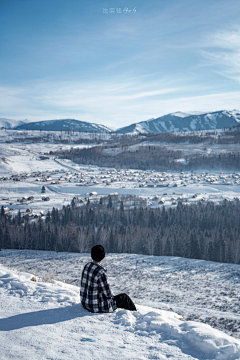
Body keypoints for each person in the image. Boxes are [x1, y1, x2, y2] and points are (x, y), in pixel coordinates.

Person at [80, 245, 136, 313]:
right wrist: (112, 298)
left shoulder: (87, 265)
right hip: (96, 306)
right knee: (124, 298)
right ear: (103, 256)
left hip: (85, 303)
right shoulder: (100, 271)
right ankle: (135, 315)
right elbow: (108, 294)